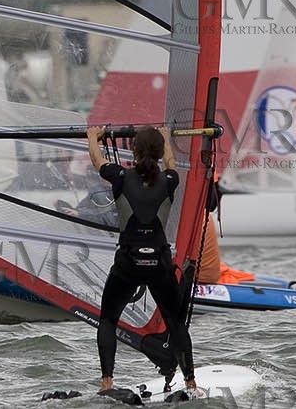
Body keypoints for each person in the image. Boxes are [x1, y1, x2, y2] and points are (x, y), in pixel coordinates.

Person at [86, 125, 196, 396]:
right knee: (175, 323)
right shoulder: (170, 179)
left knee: (108, 320)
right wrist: (165, 136)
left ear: (133, 152)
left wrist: (92, 136)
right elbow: (170, 163)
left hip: (127, 263)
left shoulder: (120, 176)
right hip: (159, 264)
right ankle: (191, 383)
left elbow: (97, 161)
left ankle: (107, 382)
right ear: (158, 153)